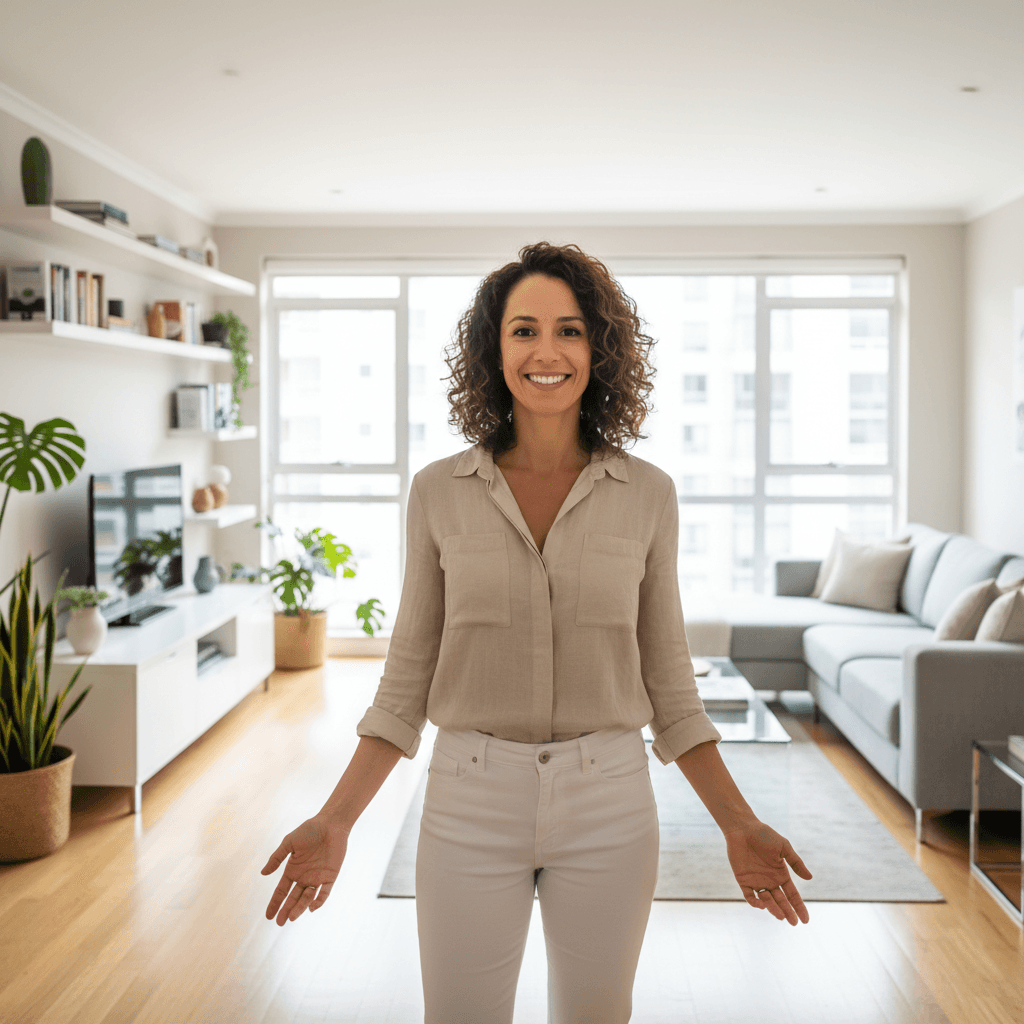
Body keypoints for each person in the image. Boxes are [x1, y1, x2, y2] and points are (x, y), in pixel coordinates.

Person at [262, 242, 812, 1023]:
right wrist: (336, 818)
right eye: (523, 331)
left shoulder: (650, 495)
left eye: (570, 330)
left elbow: (670, 686)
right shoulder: (437, 493)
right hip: (467, 799)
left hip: (612, 802)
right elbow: (406, 679)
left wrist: (739, 822)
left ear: (601, 349)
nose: (546, 352)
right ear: (495, 350)